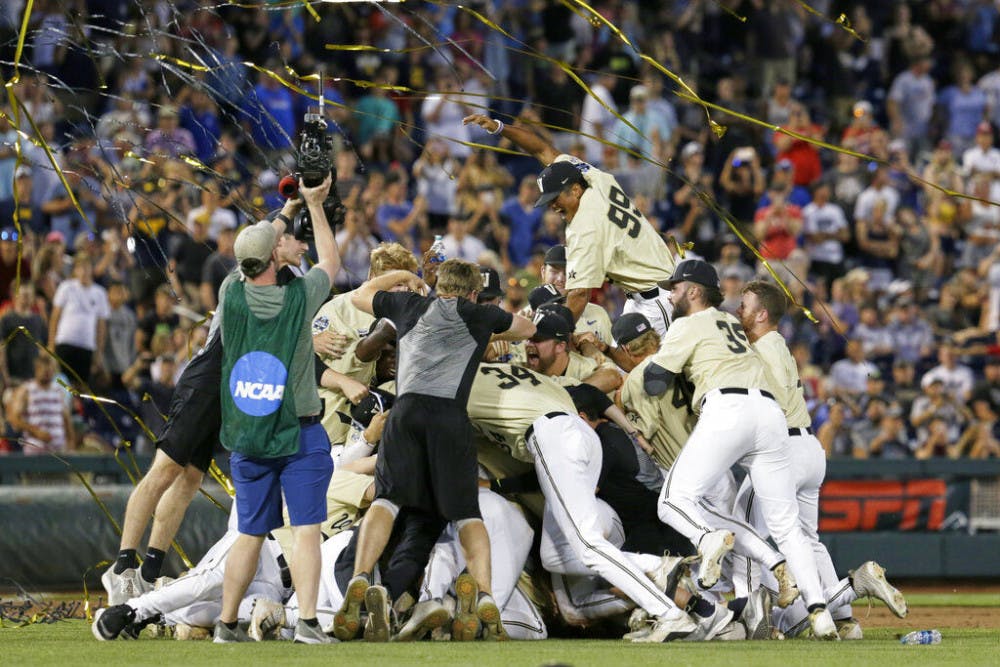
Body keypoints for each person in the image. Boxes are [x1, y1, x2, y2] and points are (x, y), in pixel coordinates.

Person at [335, 259, 535, 643]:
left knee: (388, 501)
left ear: (438, 286)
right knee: (465, 514)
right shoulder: (481, 315)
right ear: (473, 292)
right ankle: (487, 594)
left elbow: (359, 295)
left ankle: (361, 578)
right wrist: (496, 329)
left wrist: (401, 277)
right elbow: (527, 328)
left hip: (405, 412)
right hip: (449, 418)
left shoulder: (408, 306)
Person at [641, 259, 838, 640]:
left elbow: (653, 383)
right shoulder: (734, 324)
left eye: (677, 287)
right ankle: (820, 612)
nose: (671, 294)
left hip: (727, 409)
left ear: (694, 292)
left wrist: (660, 360)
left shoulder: (689, 323)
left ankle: (708, 539)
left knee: (673, 501)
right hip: (769, 417)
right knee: (787, 527)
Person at [735, 280, 908, 638]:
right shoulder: (776, 344)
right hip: (809, 448)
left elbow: (774, 403)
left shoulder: (763, 349)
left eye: (745, 304)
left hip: (782, 450)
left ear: (763, 313)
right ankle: (845, 616)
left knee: (744, 531)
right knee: (808, 539)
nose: (739, 310)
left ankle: (754, 620)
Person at [212, 173, 341, 644]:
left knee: (248, 534)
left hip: (247, 431)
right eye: (282, 243)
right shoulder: (298, 298)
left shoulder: (229, 294)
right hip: (298, 431)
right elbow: (331, 259)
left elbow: (255, 251)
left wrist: (282, 219)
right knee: (307, 530)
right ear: (274, 257)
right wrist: (314, 204)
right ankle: (307, 622)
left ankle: (226, 624)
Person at [463, 113, 677, 337]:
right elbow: (542, 150)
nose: (553, 206)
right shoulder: (594, 178)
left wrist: (553, 338)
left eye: (556, 198)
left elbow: (579, 295)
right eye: (549, 200)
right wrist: (499, 128)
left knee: (655, 370)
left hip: (656, 300)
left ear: (575, 190)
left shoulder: (584, 227)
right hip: (645, 292)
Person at [8, 355, 74, 455]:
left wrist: (70, 446)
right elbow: (14, 419)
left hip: (58, 450)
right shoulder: (26, 390)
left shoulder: (59, 390)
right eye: (45, 370)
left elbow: (66, 420)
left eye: (50, 370)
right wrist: (35, 431)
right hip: (35, 451)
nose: (48, 373)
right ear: (37, 369)